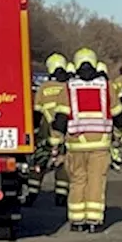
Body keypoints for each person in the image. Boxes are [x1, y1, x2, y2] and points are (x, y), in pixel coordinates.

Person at [66, 47, 115, 232]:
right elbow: (117, 114)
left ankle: (77, 220)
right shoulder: (106, 86)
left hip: (76, 144)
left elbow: (61, 119)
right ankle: (94, 220)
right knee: (96, 180)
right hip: (100, 144)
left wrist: (55, 143)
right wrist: (117, 134)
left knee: (78, 180)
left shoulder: (69, 88)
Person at [30, 52, 73, 206]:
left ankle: (32, 193)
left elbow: (37, 113)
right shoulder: (68, 87)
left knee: (39, 163)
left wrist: (34, 132)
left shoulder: (43, 88)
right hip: (64, 132)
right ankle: (61, 195)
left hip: (46, 132)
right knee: (63, 165)